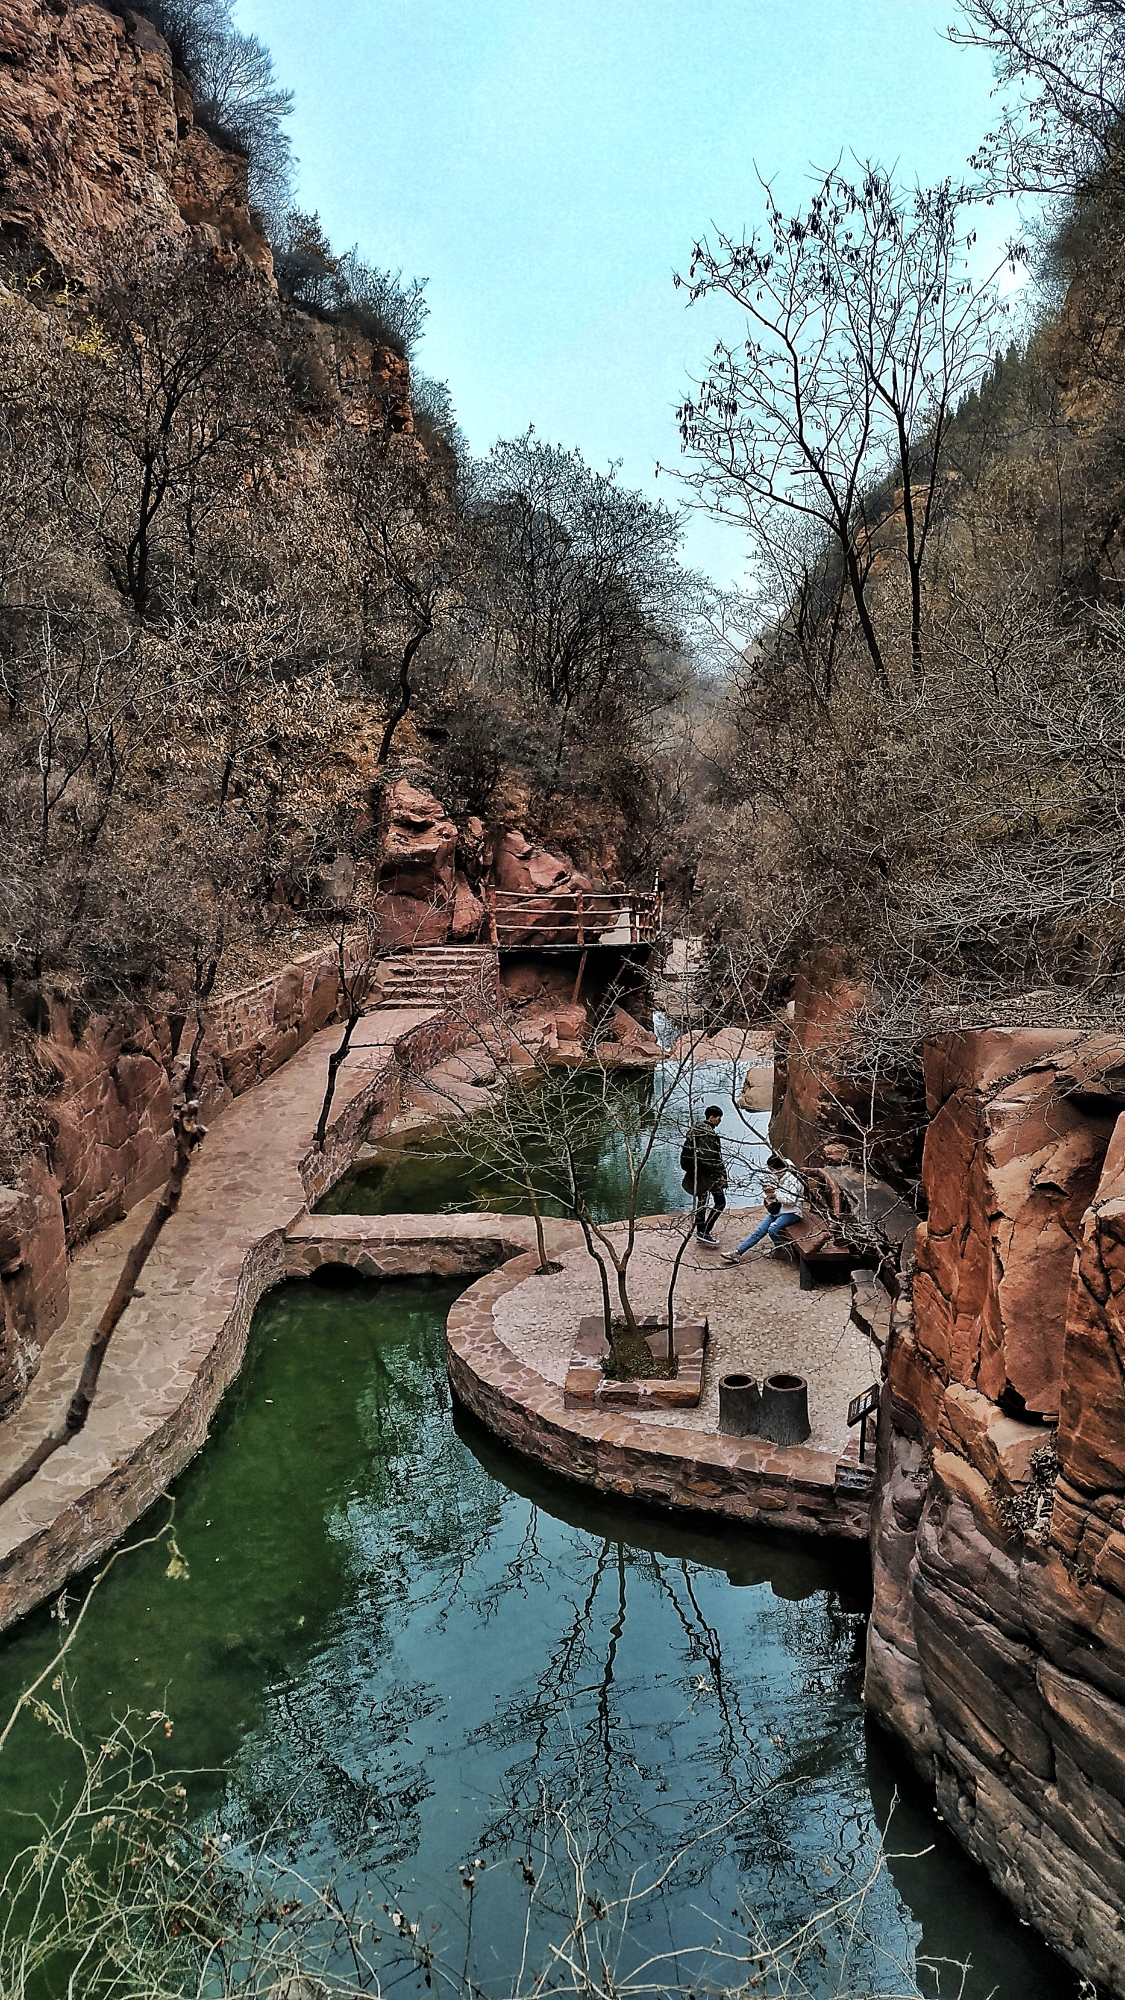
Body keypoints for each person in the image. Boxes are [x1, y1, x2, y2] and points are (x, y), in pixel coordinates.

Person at [721, 1152, 804, 1262]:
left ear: (779, 1168)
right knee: (760, 1230)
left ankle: (780, 1250)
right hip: (780, 1210)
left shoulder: (793, 1179)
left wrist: (776, 1194)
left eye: (773, 1170)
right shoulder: (783, 1170)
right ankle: (737, 1252)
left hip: (793, 1212)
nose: (773, 1173)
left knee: (773, 1229)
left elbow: (791, 1200)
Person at [681, 1106, 727, 1247]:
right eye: (718, 1118)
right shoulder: (708, 1134)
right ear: (711, 1118)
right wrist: (720, 1174)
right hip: (707, 1174)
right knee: (720, 1202)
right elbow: (710, 1158)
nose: (719, 1121)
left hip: (695, 1171)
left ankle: (701, 1231)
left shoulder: (695, 1130)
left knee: (702, 1202)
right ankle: (704, 1231)